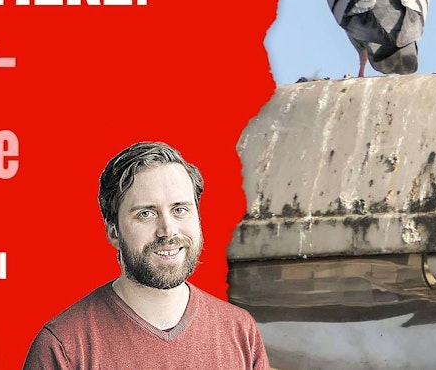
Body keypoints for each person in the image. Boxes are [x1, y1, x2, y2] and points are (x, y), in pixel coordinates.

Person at [24, 142, 268, 369]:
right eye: (146, 214)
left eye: (180, 209)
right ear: (113, 232)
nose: (168, 230)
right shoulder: (64, 346)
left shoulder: (240, 331)